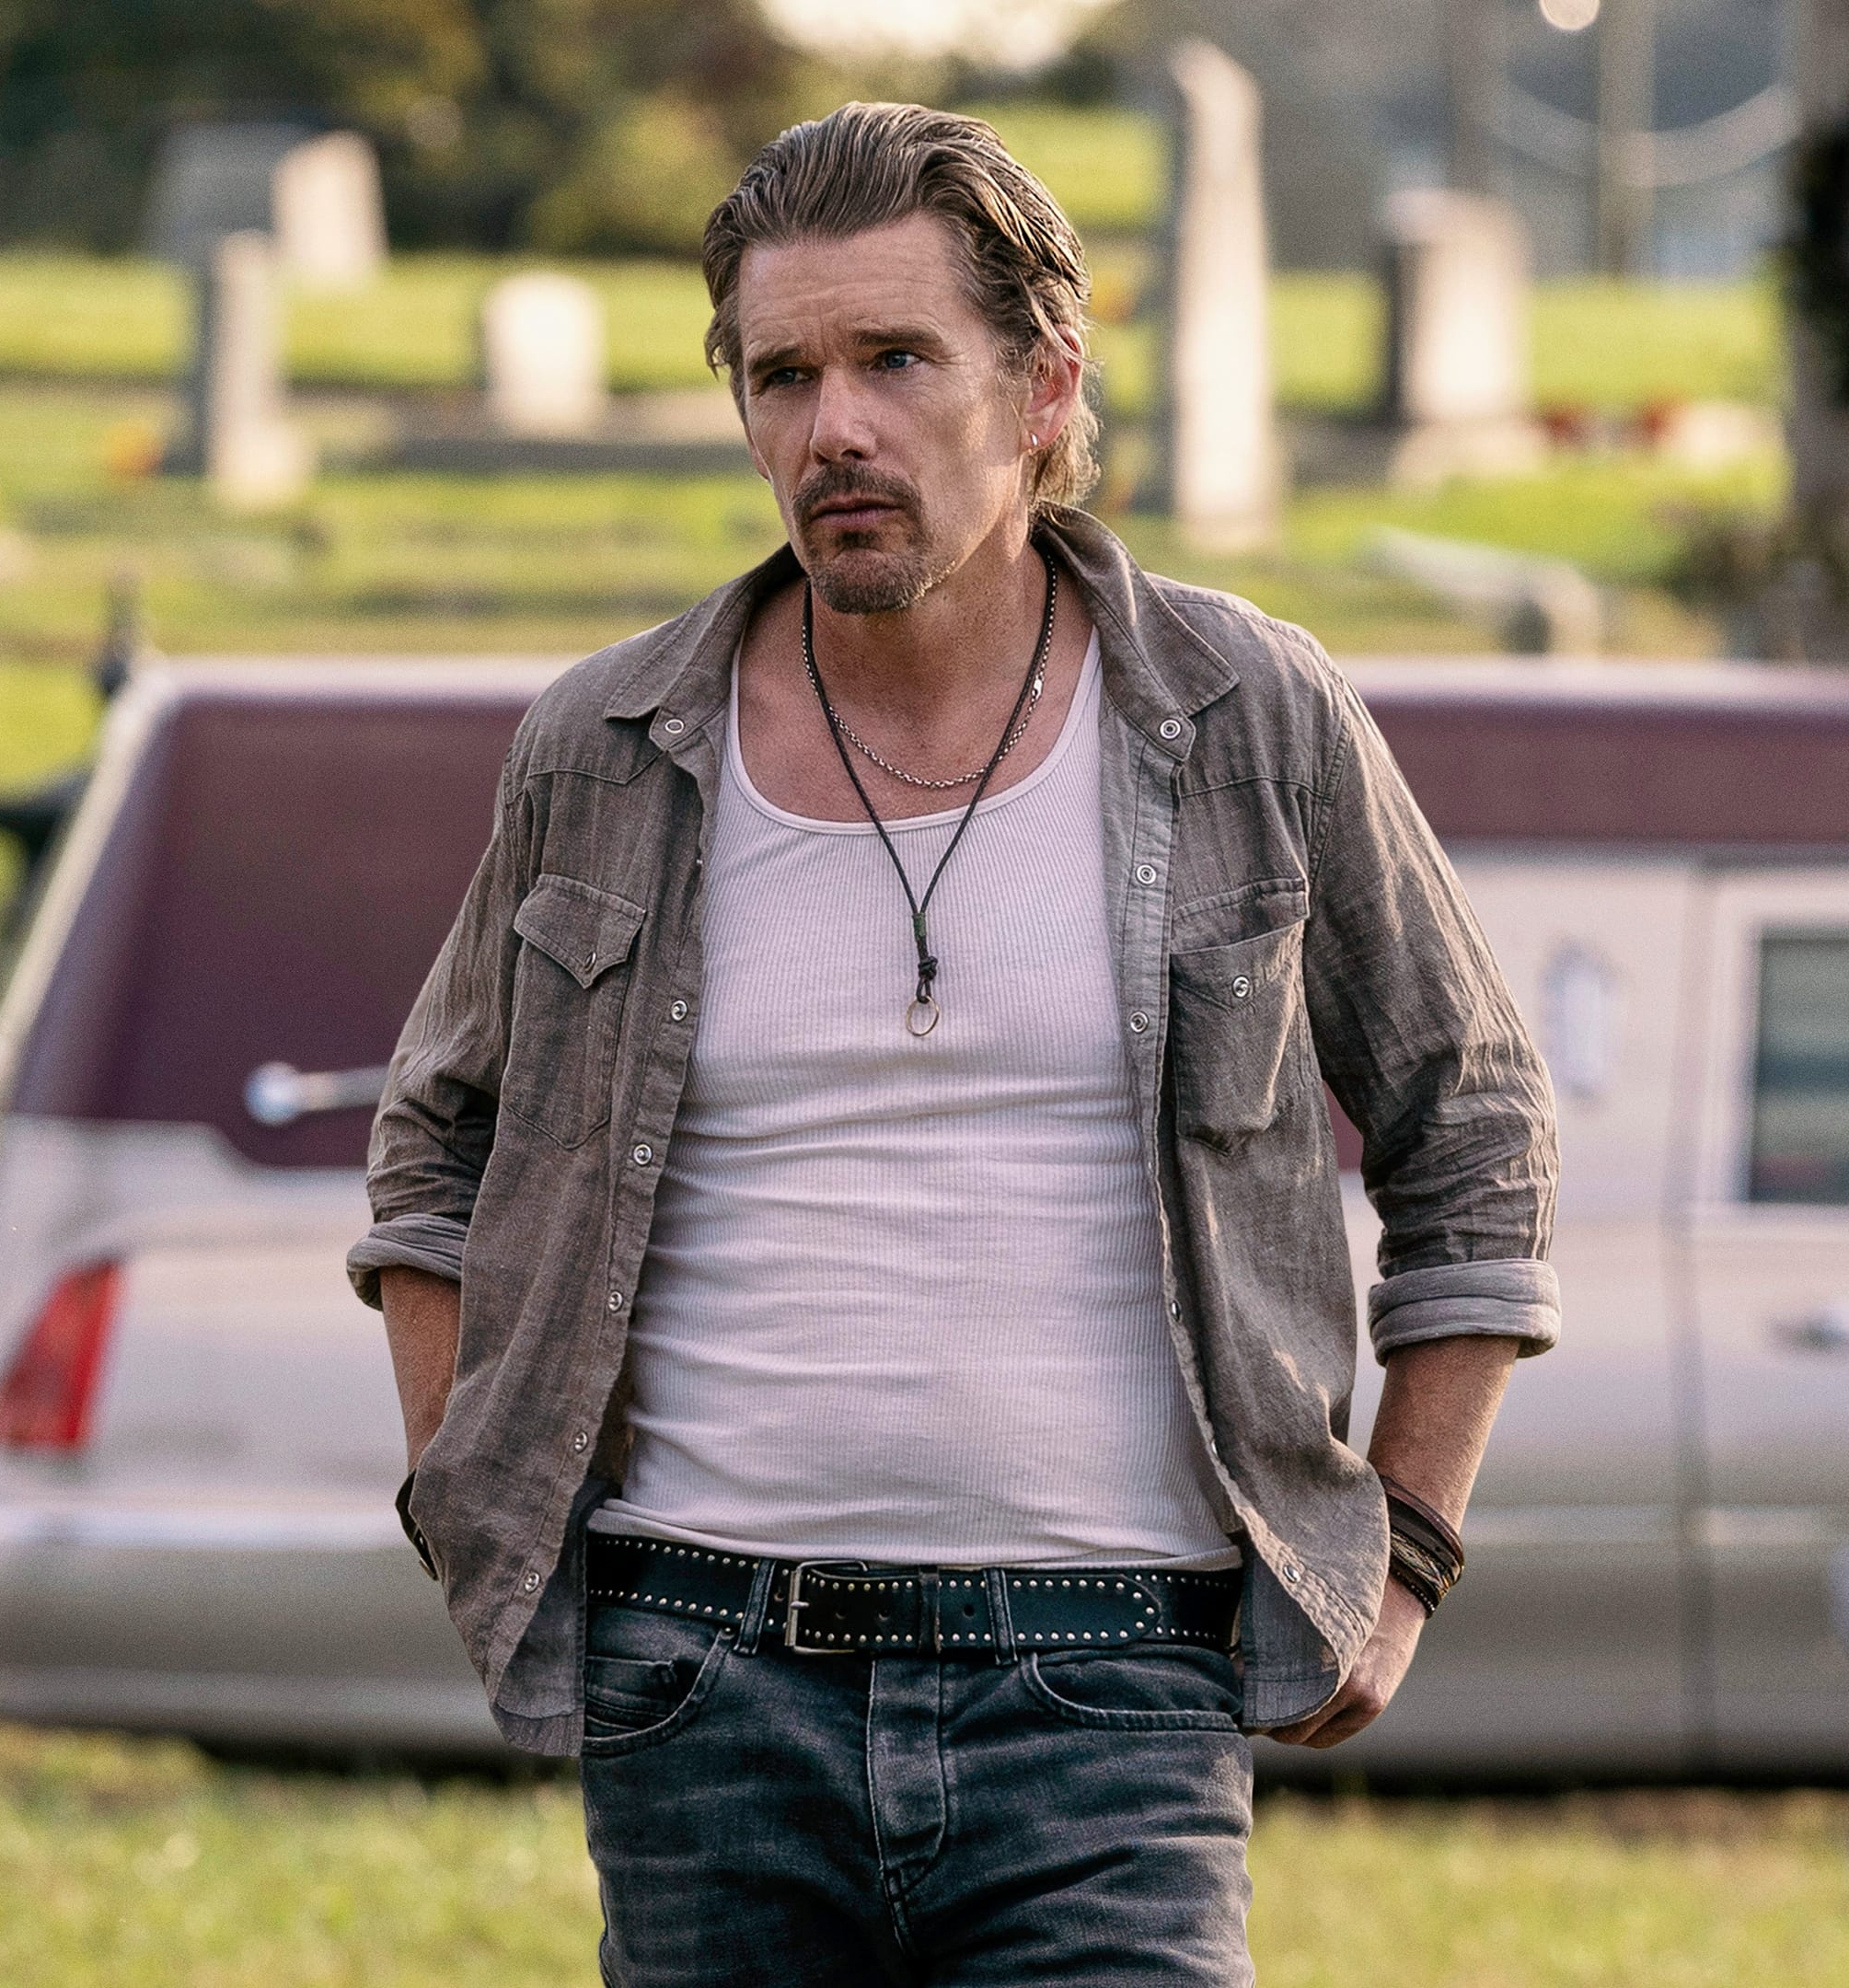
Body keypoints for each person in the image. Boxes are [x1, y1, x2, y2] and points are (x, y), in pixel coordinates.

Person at [351, 104, 1554, 1986]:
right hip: (701, 1681)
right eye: (782, 376)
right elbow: (438, 1140)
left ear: (1043, 383)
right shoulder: (606, 749)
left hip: (1114, 1687)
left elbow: (1473, 1121)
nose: (832, 427)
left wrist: (1402, 1551)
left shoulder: (1246, 716)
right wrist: (467, 1489)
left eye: (895, 360)